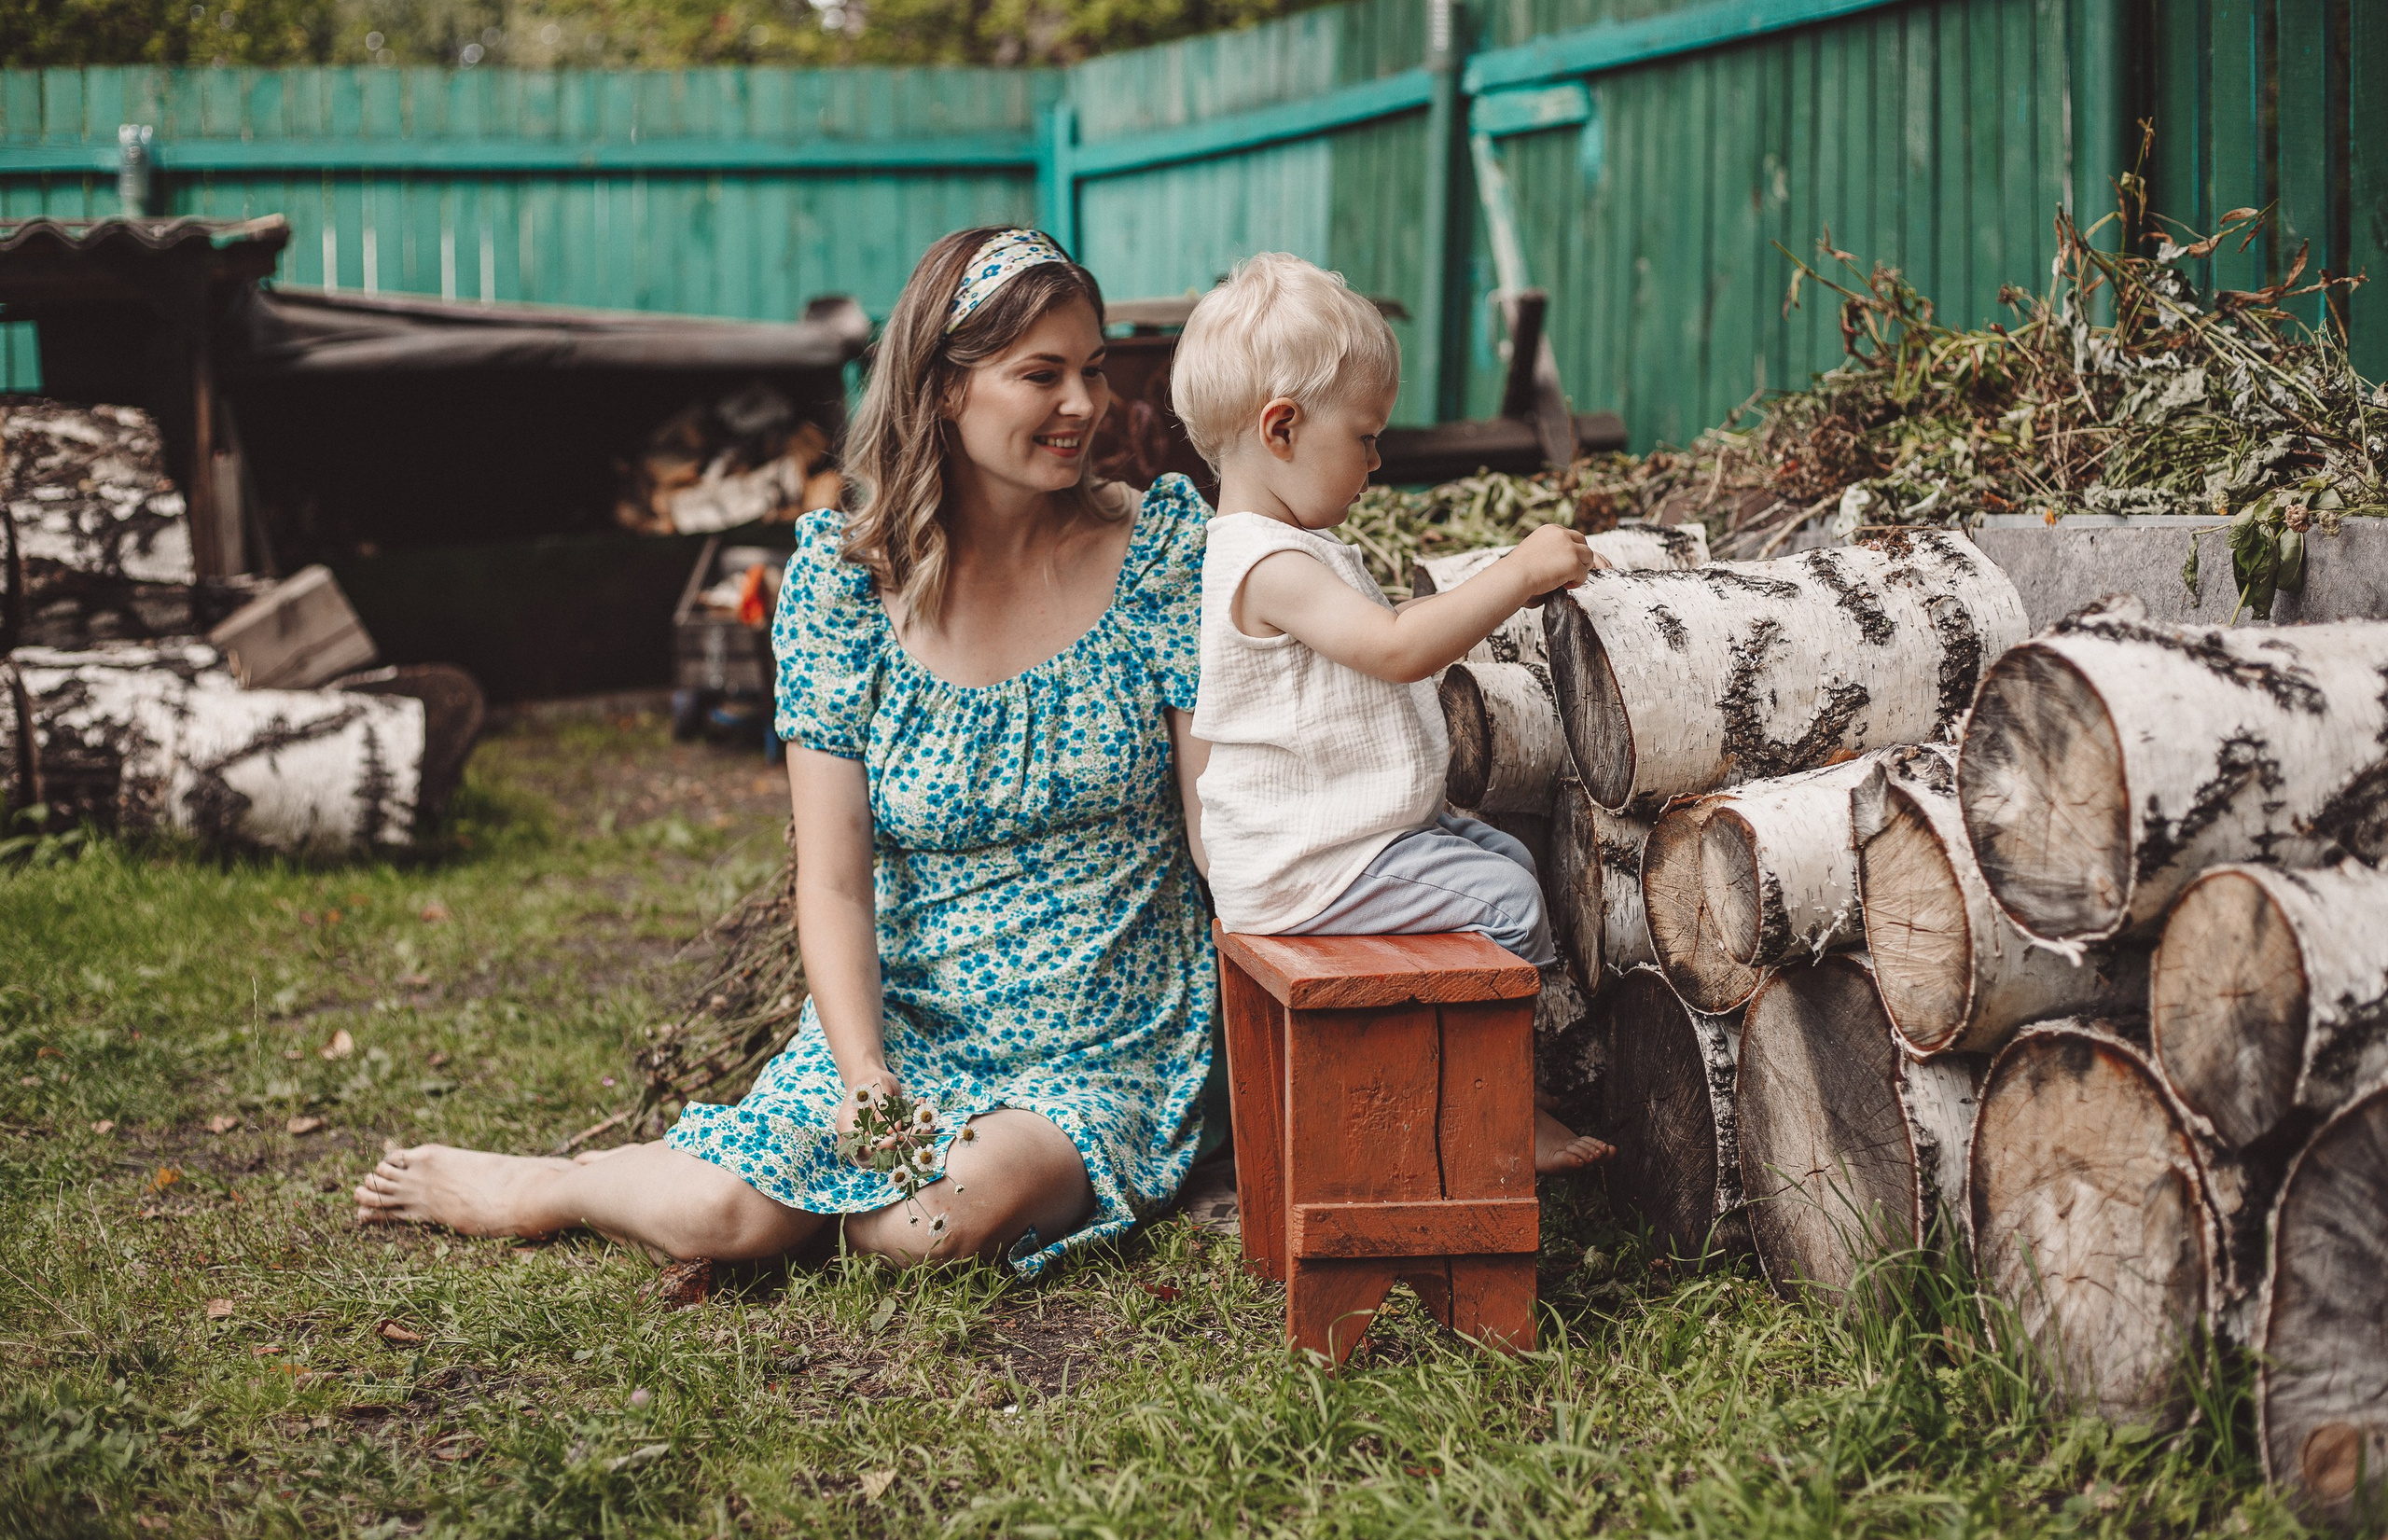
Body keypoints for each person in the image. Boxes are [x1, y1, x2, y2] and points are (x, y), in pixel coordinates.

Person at [356, 227, 1216, 1271]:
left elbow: (1213, 826)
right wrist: (863, 1073)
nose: (1083, 403)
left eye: (1093, 369)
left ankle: (829, 1205)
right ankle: (554, 1185)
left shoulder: (1157, 551)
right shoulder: (843, 587)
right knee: (721, 1215)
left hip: (1102, 1038)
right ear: (945, 388)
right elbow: (835, 880)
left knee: (934, 1224)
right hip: (910, 1017)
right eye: (1042, 375)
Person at [1171, 252, 1612, 1173]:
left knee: (1506, 859)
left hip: (1340, 841)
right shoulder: (1268, 563)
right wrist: (1517, 572)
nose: (1377, 461)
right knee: (1508, 901)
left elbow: (1376, 638)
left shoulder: (1287, 547)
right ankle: (1499, 1111)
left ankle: (1502, 1073)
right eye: (1366, 437)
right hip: (1306, 869)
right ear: (1281, 428)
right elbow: (1395, 647)